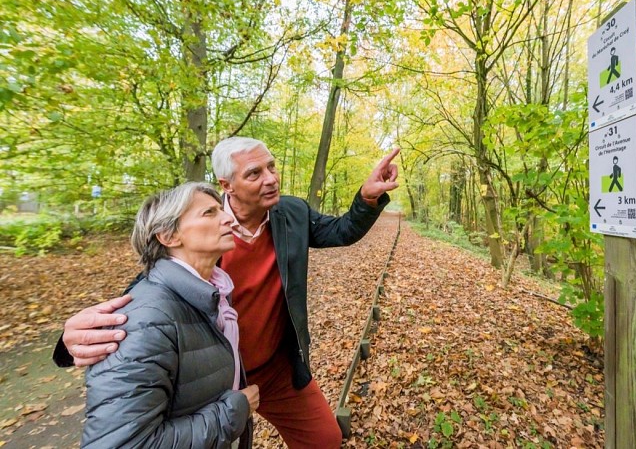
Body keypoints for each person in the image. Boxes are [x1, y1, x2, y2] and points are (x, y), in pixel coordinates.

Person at [55, 137, 399, 448]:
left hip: (274, 367)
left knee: (324, 439)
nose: (270, 178)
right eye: (254, 173)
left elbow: (339, 231)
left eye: (272, 167)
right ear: (227, 185)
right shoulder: (201, 231)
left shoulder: (291, 213)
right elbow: (149, 295)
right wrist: (71, 343)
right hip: (209, 378)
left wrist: (367, 198)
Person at [81, 182, 259, 448]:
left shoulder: (212, 294)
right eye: (209, 213)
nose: (227, 218)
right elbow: (127, 443)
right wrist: (234, 410)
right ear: (168, 236)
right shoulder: (146, 322)